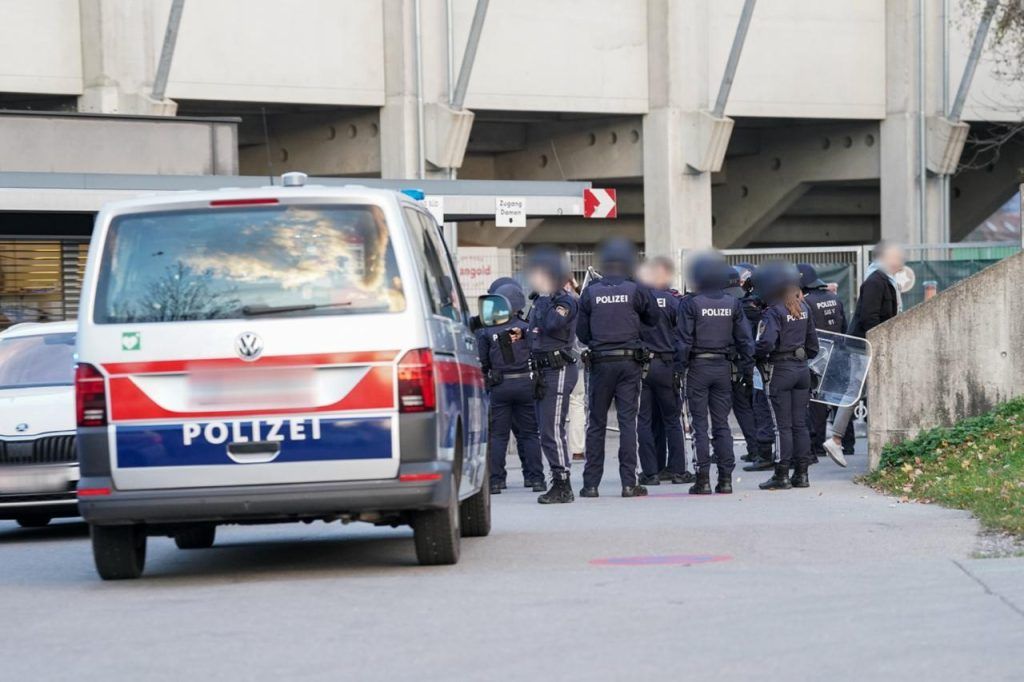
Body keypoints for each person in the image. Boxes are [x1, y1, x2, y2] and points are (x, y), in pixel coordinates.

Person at [577, 237, 660, 498]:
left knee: (596, 423)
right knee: (627, 423)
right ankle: (628, 483)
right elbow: (653, 318)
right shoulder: (636, 289)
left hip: (600, 363)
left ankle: (591, 485)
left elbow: (581, 333)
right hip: (629, 362)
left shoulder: (590, 291)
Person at [677, 253, 754, 495]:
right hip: (723, 368)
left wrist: (679, 370)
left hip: (698, 367)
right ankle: (726, 479)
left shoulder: (691, 303)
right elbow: (745, 340)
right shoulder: (732, 303)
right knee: (722, 425)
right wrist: (746, 369)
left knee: (700, 426)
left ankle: (702, 480)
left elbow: (683, 341)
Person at [822, 241, 905, 466]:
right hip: (866, 346)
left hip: (870, 345)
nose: (902, 260)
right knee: (855, 390)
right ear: (886, 258)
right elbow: (870, 317)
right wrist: (880, 343)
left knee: (860, 391)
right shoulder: (876, 281)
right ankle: (836, 439)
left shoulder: (886, 281)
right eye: (898, 256)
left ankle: (841, 439)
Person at [520, 246, 580, 504]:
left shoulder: (564, 301)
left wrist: (545, 297)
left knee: (552, 428)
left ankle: (562, 482)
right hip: (542, 370)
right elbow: (533, 333)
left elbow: (552, 325)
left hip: (558, 369)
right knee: (546, 428)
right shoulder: (539, 301)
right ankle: (558, 476)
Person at [752, 261, 819, 490]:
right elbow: (814, 346)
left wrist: (756, 354)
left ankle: (781, 474)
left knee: (783, 427)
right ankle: (802, 474)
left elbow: (766, 342)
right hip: (801, 370)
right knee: (799, 424)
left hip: (780, 370)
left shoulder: (773, 311)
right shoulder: (804, 308)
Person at [478, 282, 545, 494]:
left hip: (500, 385)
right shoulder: (527, 327)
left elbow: (483, 361)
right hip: (526, 383)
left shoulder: (488, 330)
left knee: (498, 436)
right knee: (530, 434)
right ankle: (535, 479)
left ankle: (496, 481)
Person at [636, 257, 694, 486]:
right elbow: (683, 337)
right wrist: (680, 365)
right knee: (672, 419)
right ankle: (678, 470)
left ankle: (651, 472)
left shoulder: (637, 301)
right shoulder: (673, 302)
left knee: (645, 420)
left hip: (641, 366)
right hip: (667, 364)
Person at [797, 263, 847, 461]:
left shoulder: (806, 303)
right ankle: (847, 442)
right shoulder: (834, 298)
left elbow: (806, 331)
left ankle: (817, 445)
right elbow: (844, 326)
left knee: (817, 402)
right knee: (839, 399)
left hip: (817, 357)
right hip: (838, 353)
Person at [723, 264, 760, 463]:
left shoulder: (733, 304)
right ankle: (755, 448)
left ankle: (751, 448)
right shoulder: (752, 303)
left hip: (733, 361)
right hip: (747, 360)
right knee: (746, 407)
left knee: (730, 409)